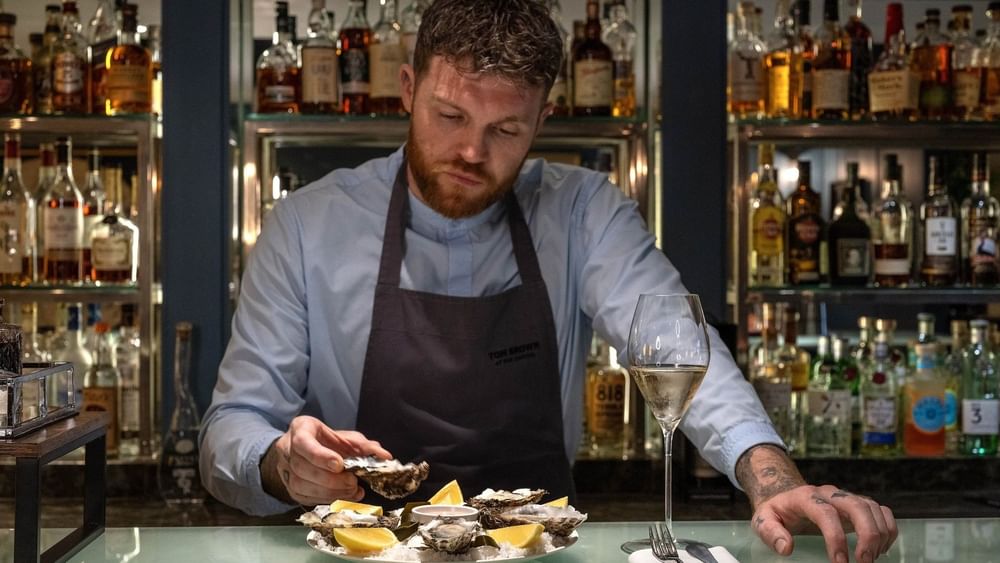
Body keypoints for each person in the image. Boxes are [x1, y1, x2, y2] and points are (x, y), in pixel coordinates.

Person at [199, 1, 897, 561]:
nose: (472, 151)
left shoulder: (584, 210)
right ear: (407, 90)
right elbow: (229, 427)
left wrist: (773, 476)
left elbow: (680, 350)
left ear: (544, 119)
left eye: (505, 128)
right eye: (449, 116)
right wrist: (281, 463)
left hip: (538, 554)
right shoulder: (303, 226)